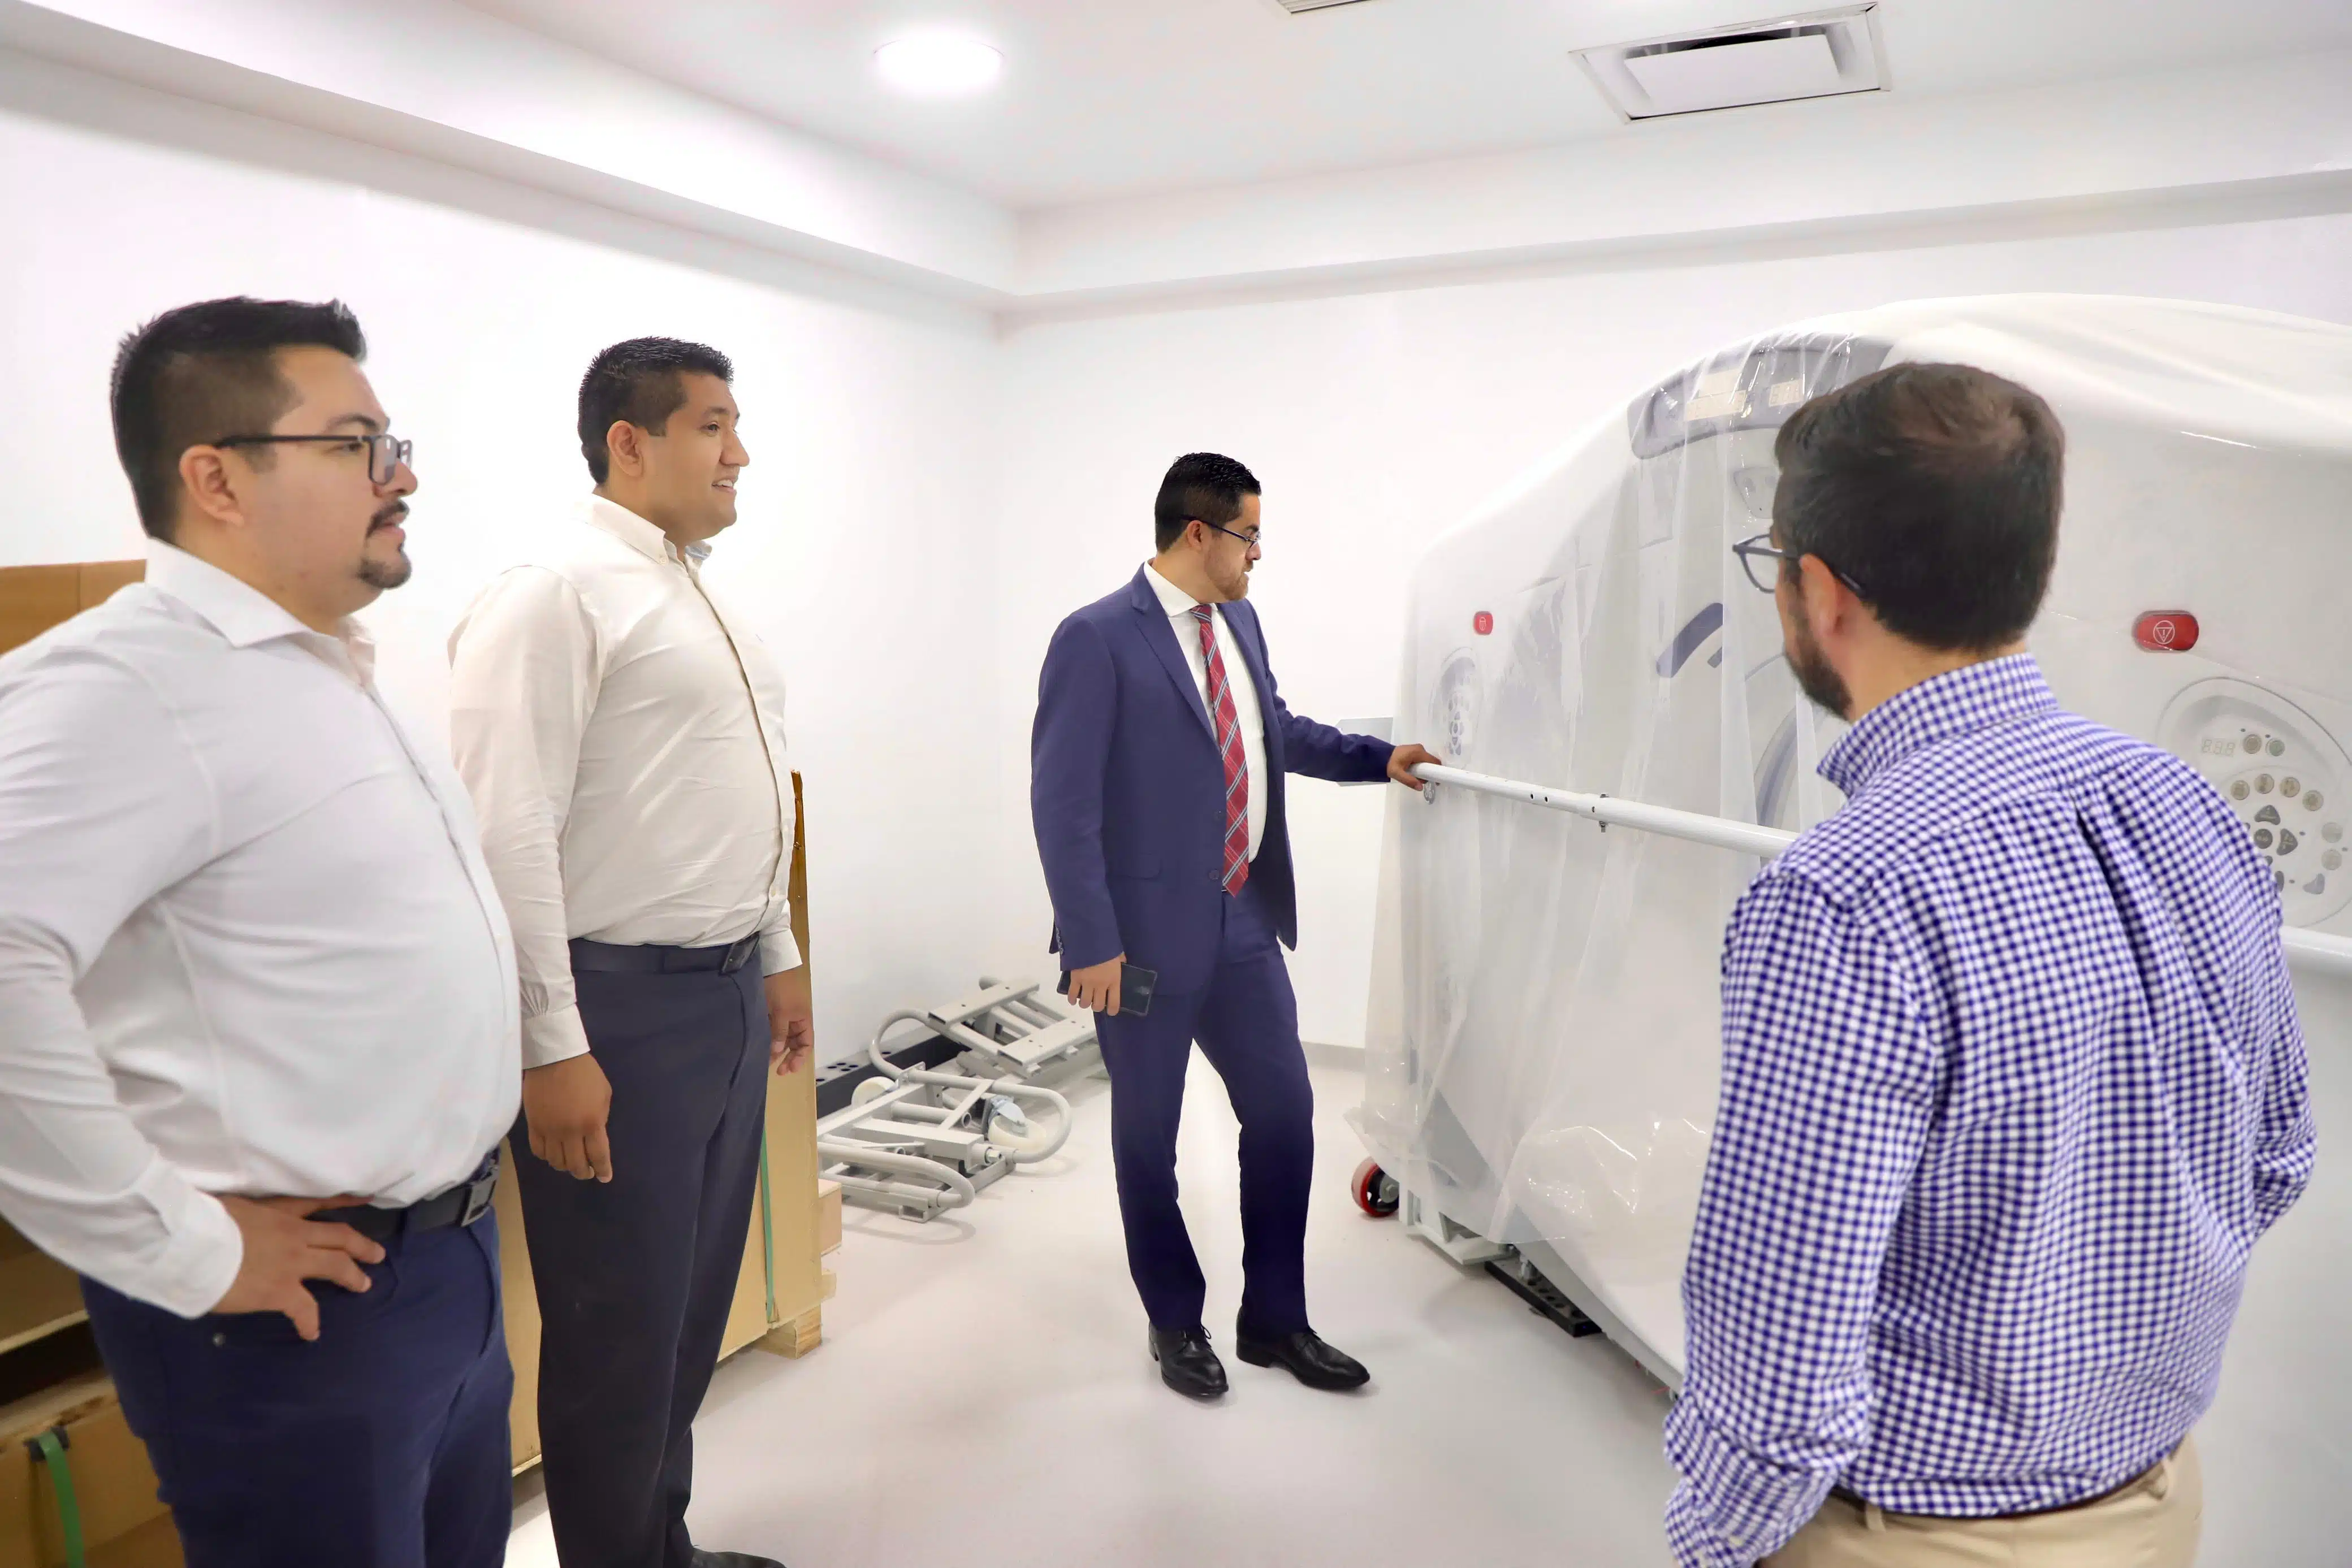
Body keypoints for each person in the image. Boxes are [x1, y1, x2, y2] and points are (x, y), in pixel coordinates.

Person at [1666, 363, 2317, 1567]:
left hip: (1914, 1532)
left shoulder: (1841, 896)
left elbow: (1779, 1362)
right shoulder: (2184, 806)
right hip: (2162, 1501)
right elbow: (2275, 1154)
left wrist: (1720, 1540)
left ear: (1817, 590)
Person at [0, 298, 519, 1567]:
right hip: (291, 1305)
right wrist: (173, 1244)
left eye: (393, 441)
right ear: (216, 476)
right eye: (354, 444)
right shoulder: (125, 684)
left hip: (443, 1263)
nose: (399, 477)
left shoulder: (327, 669)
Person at [448, 337, 810, 1568]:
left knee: (688, 1314)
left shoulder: (697, 592)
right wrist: (552, 1044)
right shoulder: (554, 591)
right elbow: (508, 828)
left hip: (721, 1001)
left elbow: (736, 796)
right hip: (618, 1013)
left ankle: (661, 1542)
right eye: (715, 425)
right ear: (630, 442)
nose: (740, 452)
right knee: (618, 1331)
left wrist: (778, 950)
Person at [1031, 452, 1440, 1400]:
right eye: (1250, 535)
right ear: (1198, 534)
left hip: (1243, 918)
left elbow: (1273, 731)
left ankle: (1276, 1320)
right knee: (1147, 1139)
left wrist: (1380, 758)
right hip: (1136, 942)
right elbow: (1063, 803)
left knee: (1287, 1115)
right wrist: (1091, 941)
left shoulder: (1240, 620)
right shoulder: (1095, 638)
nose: (1260, 554)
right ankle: (1175, 1320)